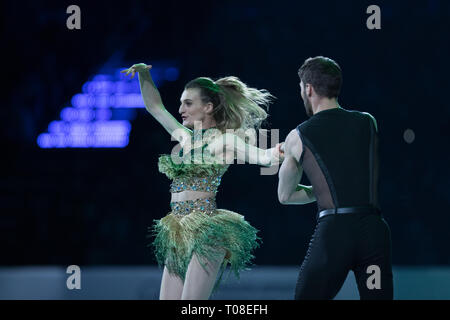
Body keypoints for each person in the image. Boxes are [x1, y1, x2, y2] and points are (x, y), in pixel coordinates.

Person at [121, 63, 284, 300]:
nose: (180, 109)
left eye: (188, 103)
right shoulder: (186, 139)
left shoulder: (225, 141)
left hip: (207, 231)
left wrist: (277, 151)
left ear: (208, 107)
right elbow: (156, 107)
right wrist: (144, 74)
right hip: (177, 230)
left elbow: (263, 157)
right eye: (180, 103)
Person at [277, 56, 393, 300]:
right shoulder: (368, 121)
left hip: (335, 234)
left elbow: (285, 196)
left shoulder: (298, 136)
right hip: (373, 232)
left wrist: (318, 189)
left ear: (308, 89)